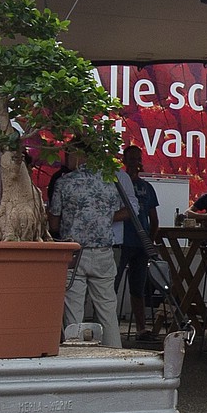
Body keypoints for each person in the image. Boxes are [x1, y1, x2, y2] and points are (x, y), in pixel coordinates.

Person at [48, 155, 128, 343]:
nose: (65, 157)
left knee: (73, 309)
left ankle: (76, 356)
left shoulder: (65, 182)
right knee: (107, 309)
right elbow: (121, 210)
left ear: (78, 154)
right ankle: (116, 356)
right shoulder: (110, 181)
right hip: (104, 251)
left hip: (75, 252)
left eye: (68, 153)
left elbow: (53, 223)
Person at [115, 144, 162, 342]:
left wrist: (150, 239)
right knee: (112, 284)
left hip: (141, 243)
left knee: (139, 286)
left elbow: (154, 217)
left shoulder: (147, 187)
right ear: (124, 161)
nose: (135, 162)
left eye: (137, 159)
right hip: (122, 241)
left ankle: (141, 329)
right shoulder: (118, 182)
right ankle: (108, 326)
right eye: (131, 159)